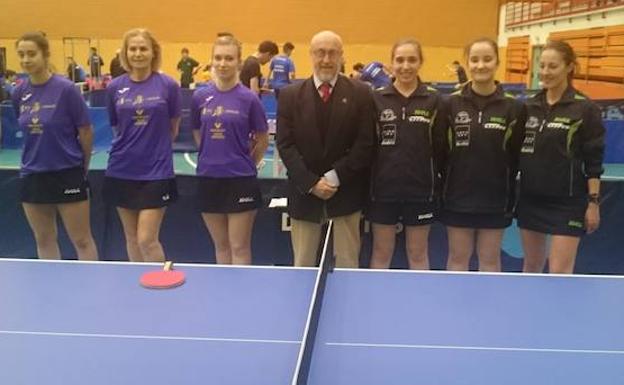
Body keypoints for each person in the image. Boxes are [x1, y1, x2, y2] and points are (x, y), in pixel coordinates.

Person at [276, 30, 376, 268]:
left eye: (332, 53)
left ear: (342, 56)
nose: (326, 59)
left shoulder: (361, 93)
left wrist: (334, 177)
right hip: (304, 195)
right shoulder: (290, 95)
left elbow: (365, 143)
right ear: (311, 55)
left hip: (346, 193)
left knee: (348, 265)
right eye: (320, 53)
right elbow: (285, 145)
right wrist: (311, 183)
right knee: (302, 265)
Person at [517, 40, 604, 274]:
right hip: (530, 199)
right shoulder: (529, 106)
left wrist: (593, 203)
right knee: (531, 267)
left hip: (567, 202)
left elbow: (594, 161)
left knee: (559, 273)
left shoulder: (585, 109)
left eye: (552, 66)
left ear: (569, 67)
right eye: (542, 66)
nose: (545, 72)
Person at [10, 31, 98, 260]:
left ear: (45, 55)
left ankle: (92, 291)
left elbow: (86, 131)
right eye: (21, 55)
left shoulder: (66, 89)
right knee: (44, 239)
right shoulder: (19, 92)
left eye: (31, 54)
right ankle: (52, 291)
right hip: (33, 174)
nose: (26, 60)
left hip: (67, 173)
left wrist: (82, 166)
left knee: (81, 240)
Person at [441, 37, 525, 272]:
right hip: (457, 196)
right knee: (458, 258)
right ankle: (454, 308)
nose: (481, 65)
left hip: (495, 198)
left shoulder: (514, 107)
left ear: (497, 62)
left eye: (487, 59)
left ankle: (490, 308)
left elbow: (517, 153)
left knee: (489, 260)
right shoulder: (450, 104)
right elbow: (441, 151)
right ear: (467, 63)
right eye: (475, 60)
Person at [103, 28, 181, 262]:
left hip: (156, 171)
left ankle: (159, 291)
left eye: (143, 48)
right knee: (131, 237)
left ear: (153, 52)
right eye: (133, 49)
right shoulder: (114, 87)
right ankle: (138, 291)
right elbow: (117, 127)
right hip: (121, 169)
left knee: (147, 239)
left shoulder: (168, 85)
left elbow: (173, 127)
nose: (138, 53)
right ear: (126, 53)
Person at [368, 39, 447, 270]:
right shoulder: (377, 98)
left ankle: (420, 305)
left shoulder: (434, 100)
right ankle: (375, 304)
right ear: (390, 64)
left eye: (412, 60)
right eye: (399, 60)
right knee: (382, 252)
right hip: (383, 191)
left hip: (421, 191)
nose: (405, 66)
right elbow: (369, 145)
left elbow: (441, 147)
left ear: (420, 62)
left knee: (418, 253)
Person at [191, 35, 269, 265]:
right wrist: (210, 156)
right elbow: (198, 132)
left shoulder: (249, 99)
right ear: (211, 61)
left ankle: (241, 299)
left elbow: (262, 139)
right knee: (221, 247)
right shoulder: (200, 97)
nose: (223, 63)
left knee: (239, 246)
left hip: (240, 180)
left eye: (229, 58)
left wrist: (246, 164)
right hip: (208, 178)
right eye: (218, 58)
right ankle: (224, 298)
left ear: (238, 62)